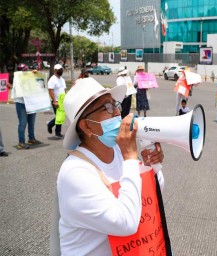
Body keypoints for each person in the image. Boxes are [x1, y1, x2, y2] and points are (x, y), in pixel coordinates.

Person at [55, 78, 167, 255]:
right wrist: (130, 157)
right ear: (86, 126)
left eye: (115, 104)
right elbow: (125, 223)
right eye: (106, 107)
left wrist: (151, 166)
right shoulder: (75, 172)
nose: (116, 112)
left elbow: (152, 194)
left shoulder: (117, 150)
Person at [12, 64, 42, 149]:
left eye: (26, 69)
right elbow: (19, 91)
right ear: (19, 71)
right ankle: (21, 142)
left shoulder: (29, 76)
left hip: (31, 102)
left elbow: (39, 82)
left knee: (31, 122)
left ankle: (31, 138)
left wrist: (37, 74)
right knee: (23, 123)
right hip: (21, 103)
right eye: (24, 70)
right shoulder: (17, 79)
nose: (26, 71)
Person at [47, 64, 66, 138]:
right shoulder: (52, 79)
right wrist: (54, 101)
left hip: (62, 101)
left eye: (61, 70)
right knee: (59, 116)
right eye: (59, 70)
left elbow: (64, 90)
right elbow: (50, 91)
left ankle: (54, 128)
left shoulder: (62, 79)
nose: (60, 71)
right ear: (55, 70)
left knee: (60, 116)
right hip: (56, 101)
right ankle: (54, 129)